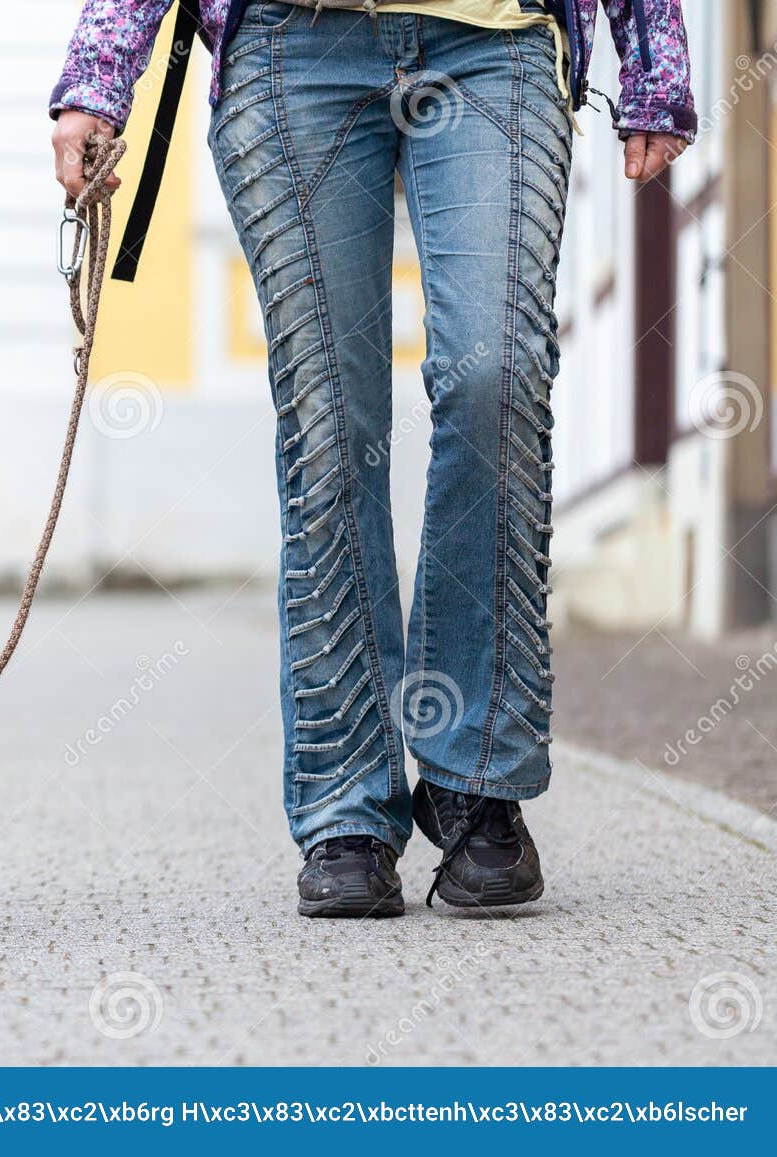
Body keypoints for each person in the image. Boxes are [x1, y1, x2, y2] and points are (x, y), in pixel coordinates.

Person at [50, 0, 693, 916]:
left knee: (498, 377)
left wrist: (655, 58)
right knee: (330, 421)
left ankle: (476, 778)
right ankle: (345, 804)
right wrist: (97, 79)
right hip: (290, 50)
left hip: (496, 43)